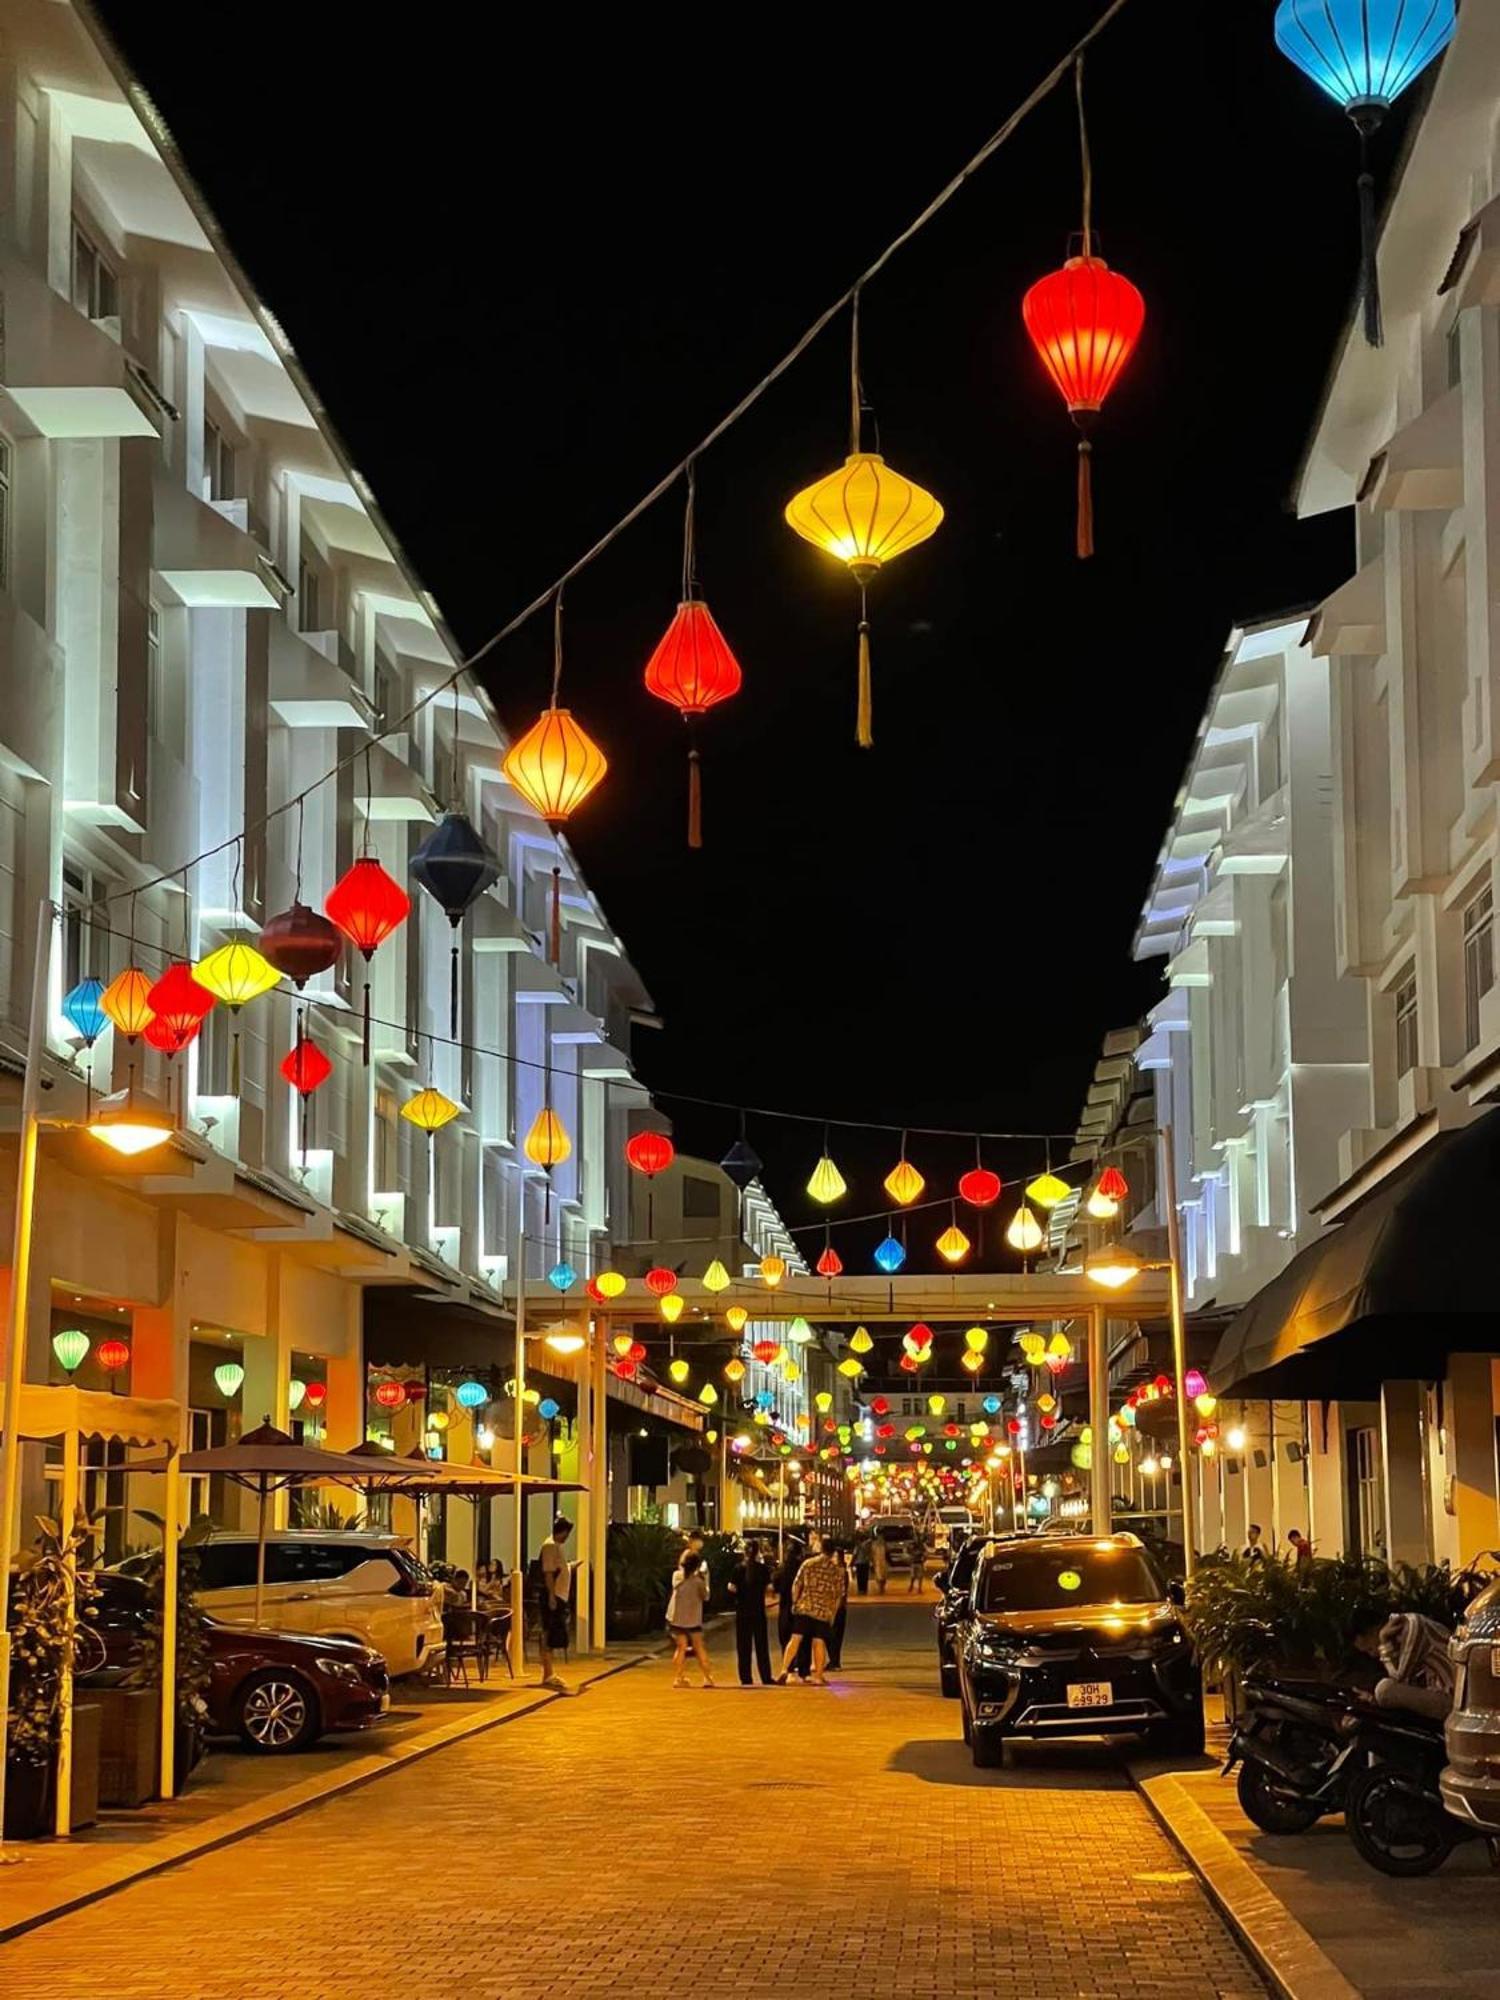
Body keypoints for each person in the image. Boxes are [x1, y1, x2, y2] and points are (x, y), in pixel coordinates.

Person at [1353, 1609, 1454, 1721]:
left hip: (1453, 1700)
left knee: (1383, 1690)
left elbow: (1399, 1680)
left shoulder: (1411, 1626)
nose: (1372, 1655)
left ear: (1373, 1631)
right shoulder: (1398, 1635)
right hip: (1441, 1692)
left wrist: (1384, 1642)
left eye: (1370, 1649)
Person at [776, 1535, 847, 1686]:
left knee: (795, 1639)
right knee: (819, 1642)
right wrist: (832, 1613)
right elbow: (838, 1595)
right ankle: (818, 1676)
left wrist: (795, 1602)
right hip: (822, 1611)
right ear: (833, 1551)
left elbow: (796, 1584)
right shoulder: (836, 1570)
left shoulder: (808, 1564)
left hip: (805, 1607)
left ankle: (784, 1669)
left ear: (821, 1548)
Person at [728, 1536, 773, 1686]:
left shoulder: (737, 1569)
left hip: (742, 1611)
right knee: (762, 1646)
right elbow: (769, 1588)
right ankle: (766, 1676)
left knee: (743, 1646)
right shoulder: (763, 1569)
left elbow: (731, 1588)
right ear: (757, 1552)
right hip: (758, 1611)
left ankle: (746, 1677)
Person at [666, 1552, 714, 1688]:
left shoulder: (676, 1577)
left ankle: (678, 1677)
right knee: (699, 1647)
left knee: (680, 1648)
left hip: (677, 1618)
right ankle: (707, 1677)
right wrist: (705, 1579)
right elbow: (705, 1596)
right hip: (693, 1619)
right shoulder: (698, 1582)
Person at [537, 1515, 574, 1691]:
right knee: (549, 1632)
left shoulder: (556, 1546)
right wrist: (551, 1596)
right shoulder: (550, 1546)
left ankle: (548, 1671)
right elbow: (549, 1573)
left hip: (559, 1594)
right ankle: (548, 1672)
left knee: (552, 1633)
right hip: (554, 1595)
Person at [826, 1541, 851, 1670]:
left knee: (833, 1635)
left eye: (836, 1557)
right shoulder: (840, 1571)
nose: (833, 1559)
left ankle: (834, 1661)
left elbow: (841, 1592)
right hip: (836, 1607)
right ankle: (834, 1660)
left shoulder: (840, 1572)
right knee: (834, 1635)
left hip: (837, 1607)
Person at [853, 1531, 872, 1597]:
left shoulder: (858, 1545)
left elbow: (855, 1554)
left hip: (859, 1562)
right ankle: (864, 1589)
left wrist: (852, 1562)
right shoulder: (868, 1544)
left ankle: (860, 1589)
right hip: (866, 1562)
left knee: (860, 1577)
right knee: (865, 1576)